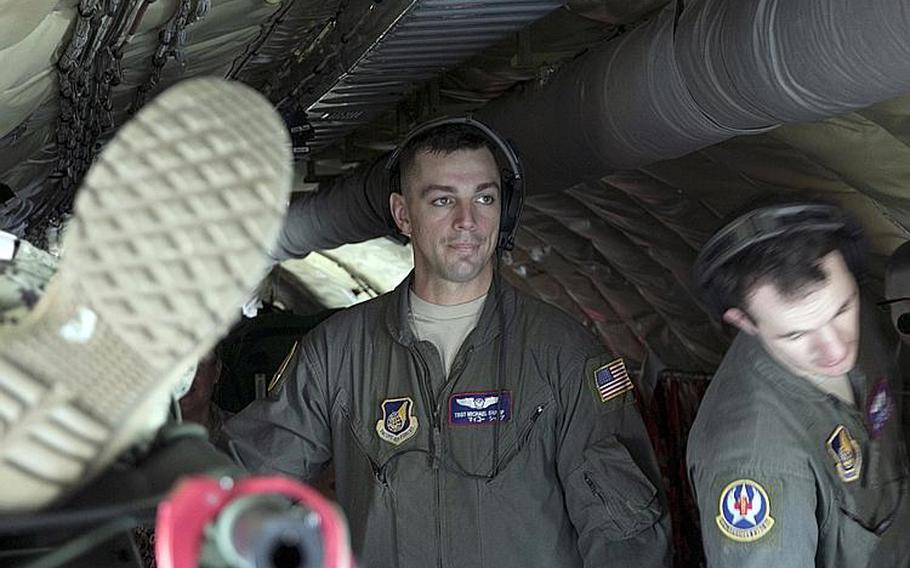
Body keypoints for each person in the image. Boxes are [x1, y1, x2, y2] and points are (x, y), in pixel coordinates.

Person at [224, 117, 671, 567]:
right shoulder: (337, 352)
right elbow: (243, 487)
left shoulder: (566, 356)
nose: (468, 221)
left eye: (485, 198)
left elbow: (625, 536)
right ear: (404, 215)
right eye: (442, 200)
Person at [687, 201, 910, 567]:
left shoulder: (849, 309)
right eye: (796, 335)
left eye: (842, 310)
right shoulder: (755, 459)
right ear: (744, 321)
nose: (835, 349)